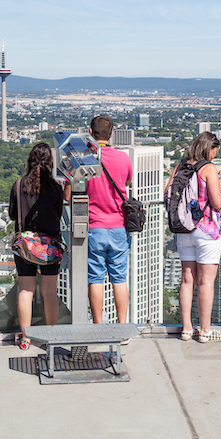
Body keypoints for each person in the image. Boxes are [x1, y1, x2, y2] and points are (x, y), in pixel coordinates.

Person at [166, 132, 221, 342]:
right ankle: (205, 331)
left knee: (187, 280)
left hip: (184, 230)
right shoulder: (208, 168)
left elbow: (168, 193)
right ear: (208, 149)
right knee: (206, 282)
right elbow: (218, 203)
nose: (214, 154)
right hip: (207, 230)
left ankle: (186, 329)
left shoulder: (181, 166)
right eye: (214, 150)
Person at [9, 142, 64, 350]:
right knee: (50, 292)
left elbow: (13, 214)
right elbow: (58, 215)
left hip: (25, 245)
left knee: (26, 290)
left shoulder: (18, 185)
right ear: (50, 163)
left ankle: (26, 337)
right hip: (49, 244)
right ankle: (51, 336)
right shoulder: (55, 188)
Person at [85, 115, 133, 324]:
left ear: (90, 133)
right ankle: (122, 326)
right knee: (119, 279)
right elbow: (128, 180)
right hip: (118, 226)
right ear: (112, 134)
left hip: (94, 226)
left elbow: (71, 191)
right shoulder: (123, 158)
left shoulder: (85, 158)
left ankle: (98, 325)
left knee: (95, 279)